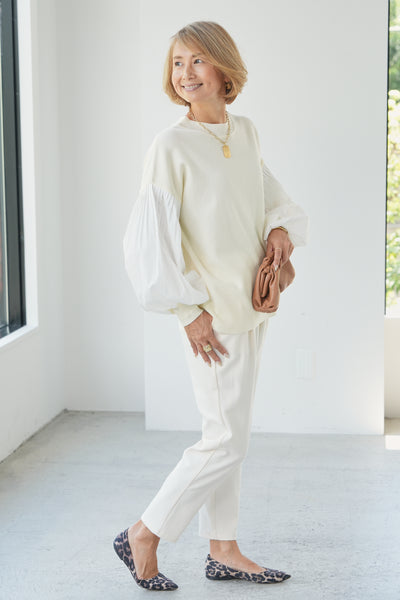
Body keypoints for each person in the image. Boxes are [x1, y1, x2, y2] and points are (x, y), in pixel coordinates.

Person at [114, 21, 309, 592]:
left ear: (225, 68)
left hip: (251, 304)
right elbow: (150, 241)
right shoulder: (170, 146)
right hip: (211, 315)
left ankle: (223, 549)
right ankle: (144, 532)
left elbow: (270, 197)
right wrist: (187, 312)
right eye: (178, 63)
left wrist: (279, 228)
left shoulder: (244, 132)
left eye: (198, 60)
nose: (186, 73)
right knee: (226, 439)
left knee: (228, 431)